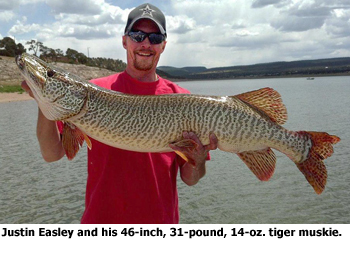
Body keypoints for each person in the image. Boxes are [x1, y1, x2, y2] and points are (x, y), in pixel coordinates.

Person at [22, 3, 218, 224]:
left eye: (154, 38)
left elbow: (190, 179)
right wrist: (43, 100)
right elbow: (52, 154)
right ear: (124, 40)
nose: (145, 43)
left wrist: (198, 161)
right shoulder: (93, 91)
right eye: (137, 35)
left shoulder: (183, 100)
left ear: (163, 45)